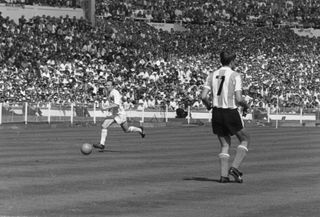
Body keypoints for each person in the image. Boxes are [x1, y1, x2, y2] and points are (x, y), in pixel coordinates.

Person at [201, 50, 250, 183]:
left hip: (216, 113)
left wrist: (208, 106)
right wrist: (246, 106)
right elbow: (239, 99)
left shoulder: (211, 75)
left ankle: (223, 176)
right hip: (230, 111)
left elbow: (203, 96)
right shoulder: (235, 75)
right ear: (232, 61)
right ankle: (234, 168)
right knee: (245, 139)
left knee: (224, 144)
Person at [93, 80, 145, 151]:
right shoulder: (108, 92)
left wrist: (105, 108)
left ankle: (139, 129)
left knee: (126, 130)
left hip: (120, 114)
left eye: (108, 85)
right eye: (106, 85)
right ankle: (102, 144)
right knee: (104, 126)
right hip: (114, 114)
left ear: (112, 86)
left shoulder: (115, 92)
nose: (106, 86)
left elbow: (116, 104)